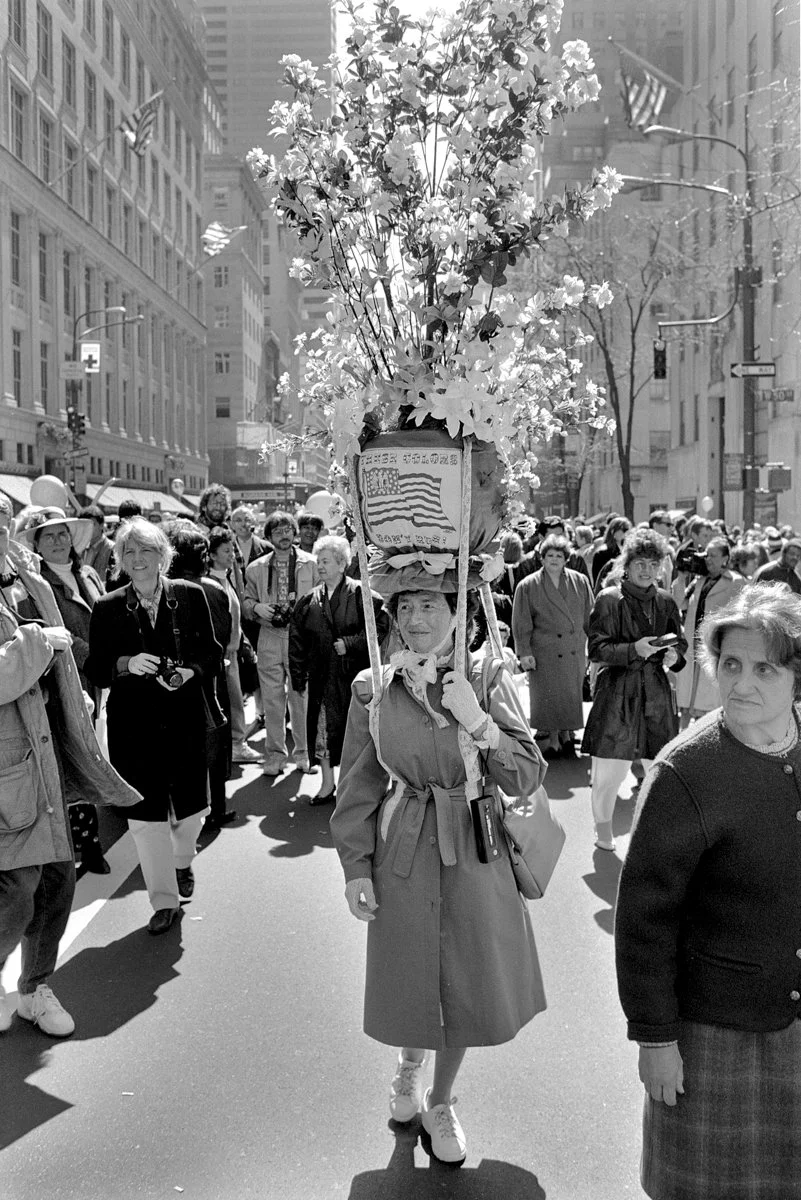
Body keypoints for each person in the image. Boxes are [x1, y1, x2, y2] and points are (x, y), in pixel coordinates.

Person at [330, 572, 547, 1165]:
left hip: (475, 844)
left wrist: (479, 721)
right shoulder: (375, 689)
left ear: (457, 612)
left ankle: (441, 1099)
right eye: (406, 606)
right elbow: (357, 784)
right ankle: (407, 1065)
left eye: (430, 604)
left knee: (466, 977)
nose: (417, 618)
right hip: (403, 843)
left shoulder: (488, 676)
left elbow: (526, 775)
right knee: (411, 967)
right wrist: (355, 866)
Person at [615, 584, 801, 1200]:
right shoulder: (684, 773)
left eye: (764, 668)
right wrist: (654, 1039)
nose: (742, 683)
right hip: (713, 1033)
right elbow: (645, 921)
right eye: (730, 665)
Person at [0, 496, 139, 1035]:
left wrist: (71, 689)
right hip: (9, 758)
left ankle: (35, 988)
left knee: (58, 878)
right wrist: (42, 642)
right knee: (16, 888)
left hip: (49, 744)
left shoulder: (24, 574)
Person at [86, 518, 222, 934]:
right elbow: (95, 667)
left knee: (195, 812)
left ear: (164, 556)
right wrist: (126, 664)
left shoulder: (191, 596)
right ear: (120, 561)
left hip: (184, 723)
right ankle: (164, 902)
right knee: (146, 822)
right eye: (130, 552)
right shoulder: (108, 607)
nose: (138, 559)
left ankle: (183, 860)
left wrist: (190, 673)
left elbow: (213, 655)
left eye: (147, 550)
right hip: (134, 728)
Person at [581, 529, 687, 851]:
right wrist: (632, 650)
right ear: (627, 565)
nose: (646, 570)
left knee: (659, 769)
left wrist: (674, 655)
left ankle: (652, 836)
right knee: (608, 772)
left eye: (653, 564)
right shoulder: (609, 599)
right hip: (617, 694)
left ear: (660, 568)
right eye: (640, 563)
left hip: (655, 693)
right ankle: (603, 832)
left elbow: (679, 642)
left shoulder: (667, 601)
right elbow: (596, 649)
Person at [18, 507, 110, 875]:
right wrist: (96, 659)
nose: (57, 542)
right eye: (48, 536)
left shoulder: (86, 574)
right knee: (73, 760)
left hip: (100, 680)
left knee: (96, 754)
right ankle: (85, 846)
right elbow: (45, 633)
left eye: (62, 534)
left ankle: (88, 842)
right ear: (37, 544)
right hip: (66, 680)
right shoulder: (32, 584)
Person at [289, 535, 390, 805]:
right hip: (322, 678)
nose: (320, 566)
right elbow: (297, 640)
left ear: (342, 564)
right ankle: (326, 783)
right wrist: (298, 676)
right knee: (322, 733)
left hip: (351, 677)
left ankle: (353, 787)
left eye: (326, 561)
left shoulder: (361, 594)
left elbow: (380, 625)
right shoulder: (309, 600)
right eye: (318, 561)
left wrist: (351, 643)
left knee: (353, 732)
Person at [168, 526, 237, 832]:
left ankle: (190, 808)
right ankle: (216, 809)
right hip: (209, 676)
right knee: (214, 743)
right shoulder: (212, 588)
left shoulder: (164, 589)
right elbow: (222, 639)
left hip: (174, 678)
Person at [243, 511, 318, 776]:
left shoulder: (312, 563)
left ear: (294, 532)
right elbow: (246, 603)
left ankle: (304, 753)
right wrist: (258, 608)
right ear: (268, 536)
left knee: (301, 697)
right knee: (273, 700)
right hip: (269, 637)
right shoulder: (256, 568)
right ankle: (274, 755)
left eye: (288, 530)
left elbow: (323, 598)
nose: (284, 535)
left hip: (300, 638)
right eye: (277, 532)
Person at [512, 533, 593, 758]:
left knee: (570, 695)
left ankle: (567, 736)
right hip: (544, 652)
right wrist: (524, 652)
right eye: (549, 555)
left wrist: (592, 648)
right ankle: (554, 740)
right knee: (549, 697)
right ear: (542, 558)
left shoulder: (580, 581)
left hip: (573, 649)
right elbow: (521, 622)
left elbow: (590, 617)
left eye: (559, 555)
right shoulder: (528, 585)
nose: (554, 559)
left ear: (566, 558)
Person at [207, 525, 261, 766]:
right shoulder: (210, 582)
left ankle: (236, 743)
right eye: (226, 551)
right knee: (231, 699)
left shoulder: (227, 577)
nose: (231, 555)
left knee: (236, 698)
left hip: (234, 650)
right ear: (211, 555)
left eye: (232, 550)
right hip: (223, 653)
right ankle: (236, 744)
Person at [676, 537, 745, 722]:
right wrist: (681, 577)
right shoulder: (699, 580)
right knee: (686, 702)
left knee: (708, 706)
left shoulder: (737, 582)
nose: (708, 559)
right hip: (692, 647)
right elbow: (678, 603)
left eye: (713, 555)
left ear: (725, 558)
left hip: (715, 649)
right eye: (706, 555)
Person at [591, 517, 632, 590]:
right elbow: (598, 580)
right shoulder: (602, 553)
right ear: (613, 531)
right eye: (624, 530)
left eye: (628, 530)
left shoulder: (628, 551)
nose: (627, 533)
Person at [81, 504, 115, 584]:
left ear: (101, 525)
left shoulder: (112, 549)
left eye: (92, 524)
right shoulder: (81, 548)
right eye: (85, 525)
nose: (88, 528)